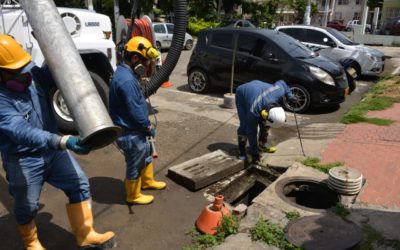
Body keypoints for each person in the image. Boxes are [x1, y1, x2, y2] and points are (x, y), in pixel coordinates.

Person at [0, 34, 115, 249]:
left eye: (25, 70)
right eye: (17, 73)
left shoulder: (29, 72)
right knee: (27, 205)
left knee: (79, 183)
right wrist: (63, 141)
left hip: (53, 152)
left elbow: (55, 73)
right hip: (24, 158)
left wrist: (51, 44)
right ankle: (32, 242)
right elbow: (22, 132)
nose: (26, 77)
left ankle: (86, 233)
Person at [109, 36, 166, 205]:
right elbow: (134, 109)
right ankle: (133, 195)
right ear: (135, 58)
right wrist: (147, 126)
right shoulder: (126, 80)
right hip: (131, 132)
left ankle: (147, 182)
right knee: (134, 163)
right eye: (146, 61)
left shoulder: (126, 73)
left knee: (146, 153)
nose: (147, 65)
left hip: (136, 130)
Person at [235, 79, 295, 163]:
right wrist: (255, 154)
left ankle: (262, 145)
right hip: (242, 93)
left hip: (258, 89)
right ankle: (241, 150)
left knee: (265, 123)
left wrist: (290, 96)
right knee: (245, 126)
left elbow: (282, 82)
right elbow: (251, 132)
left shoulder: (279, 91)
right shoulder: (254, 110)